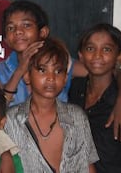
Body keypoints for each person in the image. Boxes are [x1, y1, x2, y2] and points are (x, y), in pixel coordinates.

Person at [0, 0, 121, 141]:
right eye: (11, 28)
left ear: (43, 32)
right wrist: (20, 70)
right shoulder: (0, 70)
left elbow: (116, 72)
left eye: (26, 25)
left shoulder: (61, 64)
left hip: (57, 143)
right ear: (6, 39)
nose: (18, 32)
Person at [5, 37, 99, 172]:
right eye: (42, 70)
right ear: (27, 76)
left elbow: (88, 166)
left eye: (58, 71)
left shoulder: (76, 116)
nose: (51, 78)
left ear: (65, 78)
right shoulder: (11, 120)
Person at [69, 23, 121, 173]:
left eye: (106, 49)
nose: (97, 55)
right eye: (90, 48)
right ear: (81, 55)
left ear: (119, 56)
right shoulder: (72, 91)